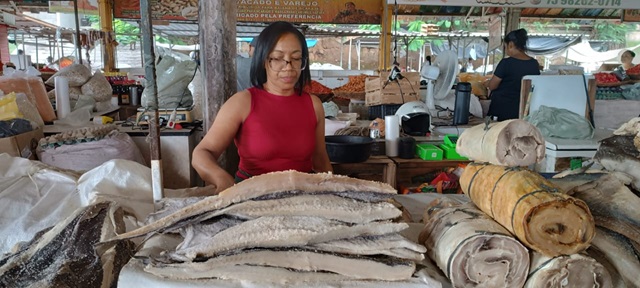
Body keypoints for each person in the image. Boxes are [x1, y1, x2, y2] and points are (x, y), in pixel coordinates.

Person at [193, 21, 332, 193]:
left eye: (296, 58)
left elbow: (320, 159)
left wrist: (331, 189)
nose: (288, 67)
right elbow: (202, 153)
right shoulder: (242, 102)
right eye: (278, 58)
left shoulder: (313, 104)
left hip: (302, 195)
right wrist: (221, 178)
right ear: (263, 60)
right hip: (252, 195)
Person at [485, 28, 540, 121]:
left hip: (501, 110)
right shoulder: (534, 64)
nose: (506, 51)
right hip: (523, 110)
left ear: (510, 44)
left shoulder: (506, 63)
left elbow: (492, 86)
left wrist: (487, 83)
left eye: (505, 47)